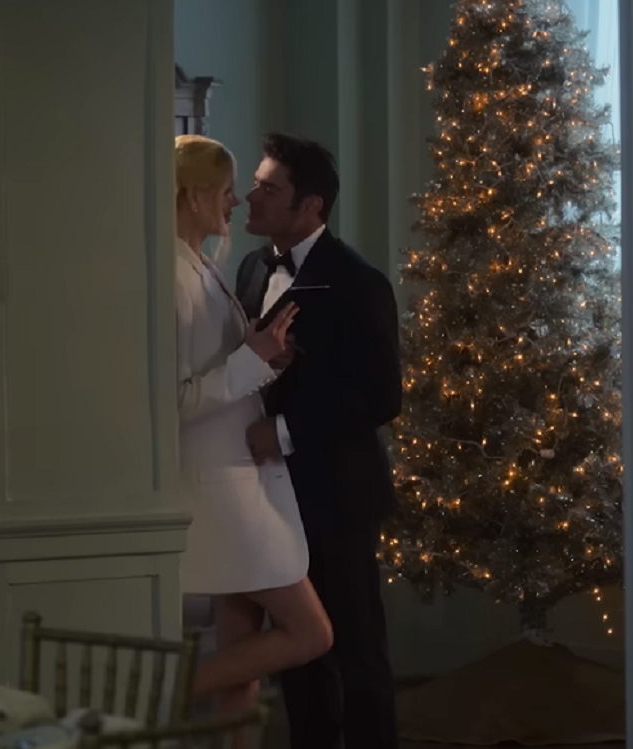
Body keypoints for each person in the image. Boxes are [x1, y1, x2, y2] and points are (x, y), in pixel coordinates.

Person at [236, 132, 403, 749]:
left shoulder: (359, 281)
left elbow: (382, 396)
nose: (250, 196)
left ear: (309, 205)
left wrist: (283, 432)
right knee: (298, 655)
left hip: (339, 495)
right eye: (255, 183)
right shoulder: (251, 268)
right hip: (272, 495)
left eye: (268, 188)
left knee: (357, 651)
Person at [172, 134, 334, 722]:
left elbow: (226, 369)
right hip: (221, 493)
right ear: (194, 196)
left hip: (242, 482)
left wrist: (265, 360)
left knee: (241, 655)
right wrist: (252, 360)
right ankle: (154, 693)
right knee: (310, 632)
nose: (237, 201)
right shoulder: (172, 277)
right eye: (226, 189)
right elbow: (172, 401)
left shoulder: (203, 266)